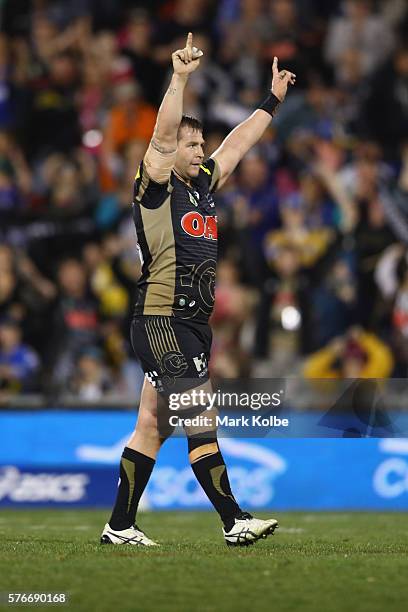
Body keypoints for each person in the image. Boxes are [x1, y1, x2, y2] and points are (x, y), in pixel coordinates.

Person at [101, 33, 295, 547]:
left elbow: (235, 145)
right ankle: (234, 520)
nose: (199, 149)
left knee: (151, 426)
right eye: (191, 144)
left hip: (189, 323)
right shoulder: (156, 184)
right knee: (199, 418)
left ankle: (119, 525)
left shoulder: (203, 185)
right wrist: (181, 78)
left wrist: (271, 101)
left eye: (198, 143)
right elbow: (163, 135)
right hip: (162, 319)